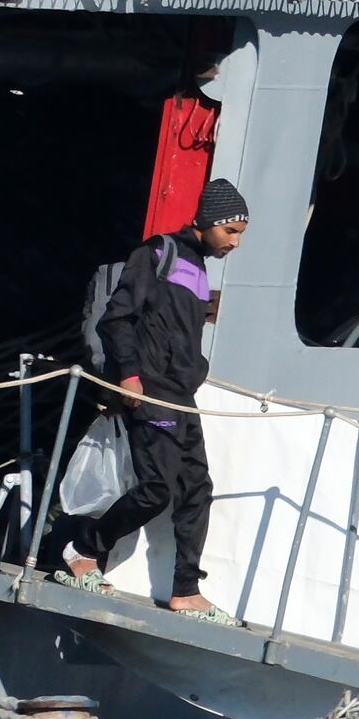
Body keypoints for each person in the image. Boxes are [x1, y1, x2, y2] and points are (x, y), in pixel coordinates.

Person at [56, 179, 249, 623]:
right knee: (157, 489)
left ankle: (186, 589)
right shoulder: (157, 254)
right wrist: (129, 375)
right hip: (152, 392)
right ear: (208, 223)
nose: (235, 242)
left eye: (240, 233)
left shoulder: (199, 269)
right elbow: (116, 318)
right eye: (231, 231)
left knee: (197, 489)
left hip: (182, 396)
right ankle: (83, 548)